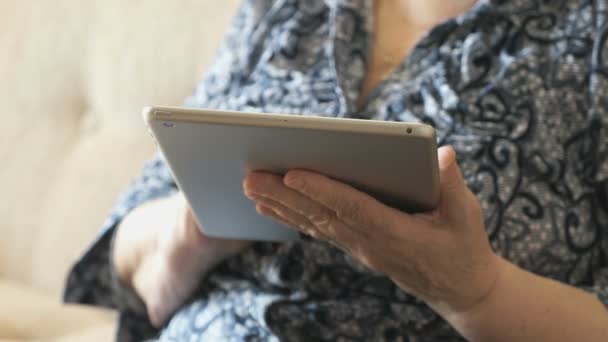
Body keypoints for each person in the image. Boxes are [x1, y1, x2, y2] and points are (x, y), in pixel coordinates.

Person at [64, 0, 608, 340]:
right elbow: (122, 246)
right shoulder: (287, 9)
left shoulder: (589, 34)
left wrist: (476, 293)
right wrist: (187, 230)